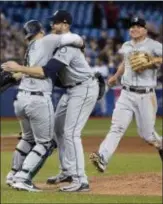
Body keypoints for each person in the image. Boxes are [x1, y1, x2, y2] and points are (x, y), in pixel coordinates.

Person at [2, 10, 100, 192]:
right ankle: (67, 171)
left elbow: (47, 70)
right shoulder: (51, 44)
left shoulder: (68, 45)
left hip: (83, 87)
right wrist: (17, 75)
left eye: (55, 23)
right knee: (57, 131)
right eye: (52, 23)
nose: (52, 26)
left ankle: (81, 180)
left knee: (70, 132)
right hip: (70, 89)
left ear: (65, 24)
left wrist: (19, 68)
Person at [89, 17, 163, 173]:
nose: (134, 29)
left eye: (137, 26)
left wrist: (152, 61)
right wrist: (116, 76)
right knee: (117, 127)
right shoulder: (126, 45)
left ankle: (161, 144)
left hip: (145, 95)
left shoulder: (154, 45)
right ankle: (102, 157)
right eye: (132, 26)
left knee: (147, 135)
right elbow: (126, 62)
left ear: (144, 30)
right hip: (126, 93)